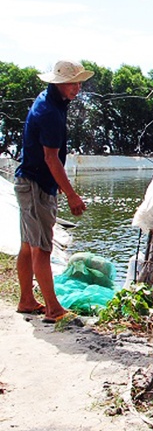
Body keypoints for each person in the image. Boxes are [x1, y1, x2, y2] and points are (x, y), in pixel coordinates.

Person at [14, 60, 93, 323]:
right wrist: (71, 194)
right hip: (36, 185)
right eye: (73, 83)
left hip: (31, 181)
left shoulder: (50, 102)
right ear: (58, 83)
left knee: (28, 246)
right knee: (41, 248)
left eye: (79, 82)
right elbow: (51, 158)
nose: (77, 88)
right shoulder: (49, 112)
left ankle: (27, 300)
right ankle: (53, 309)